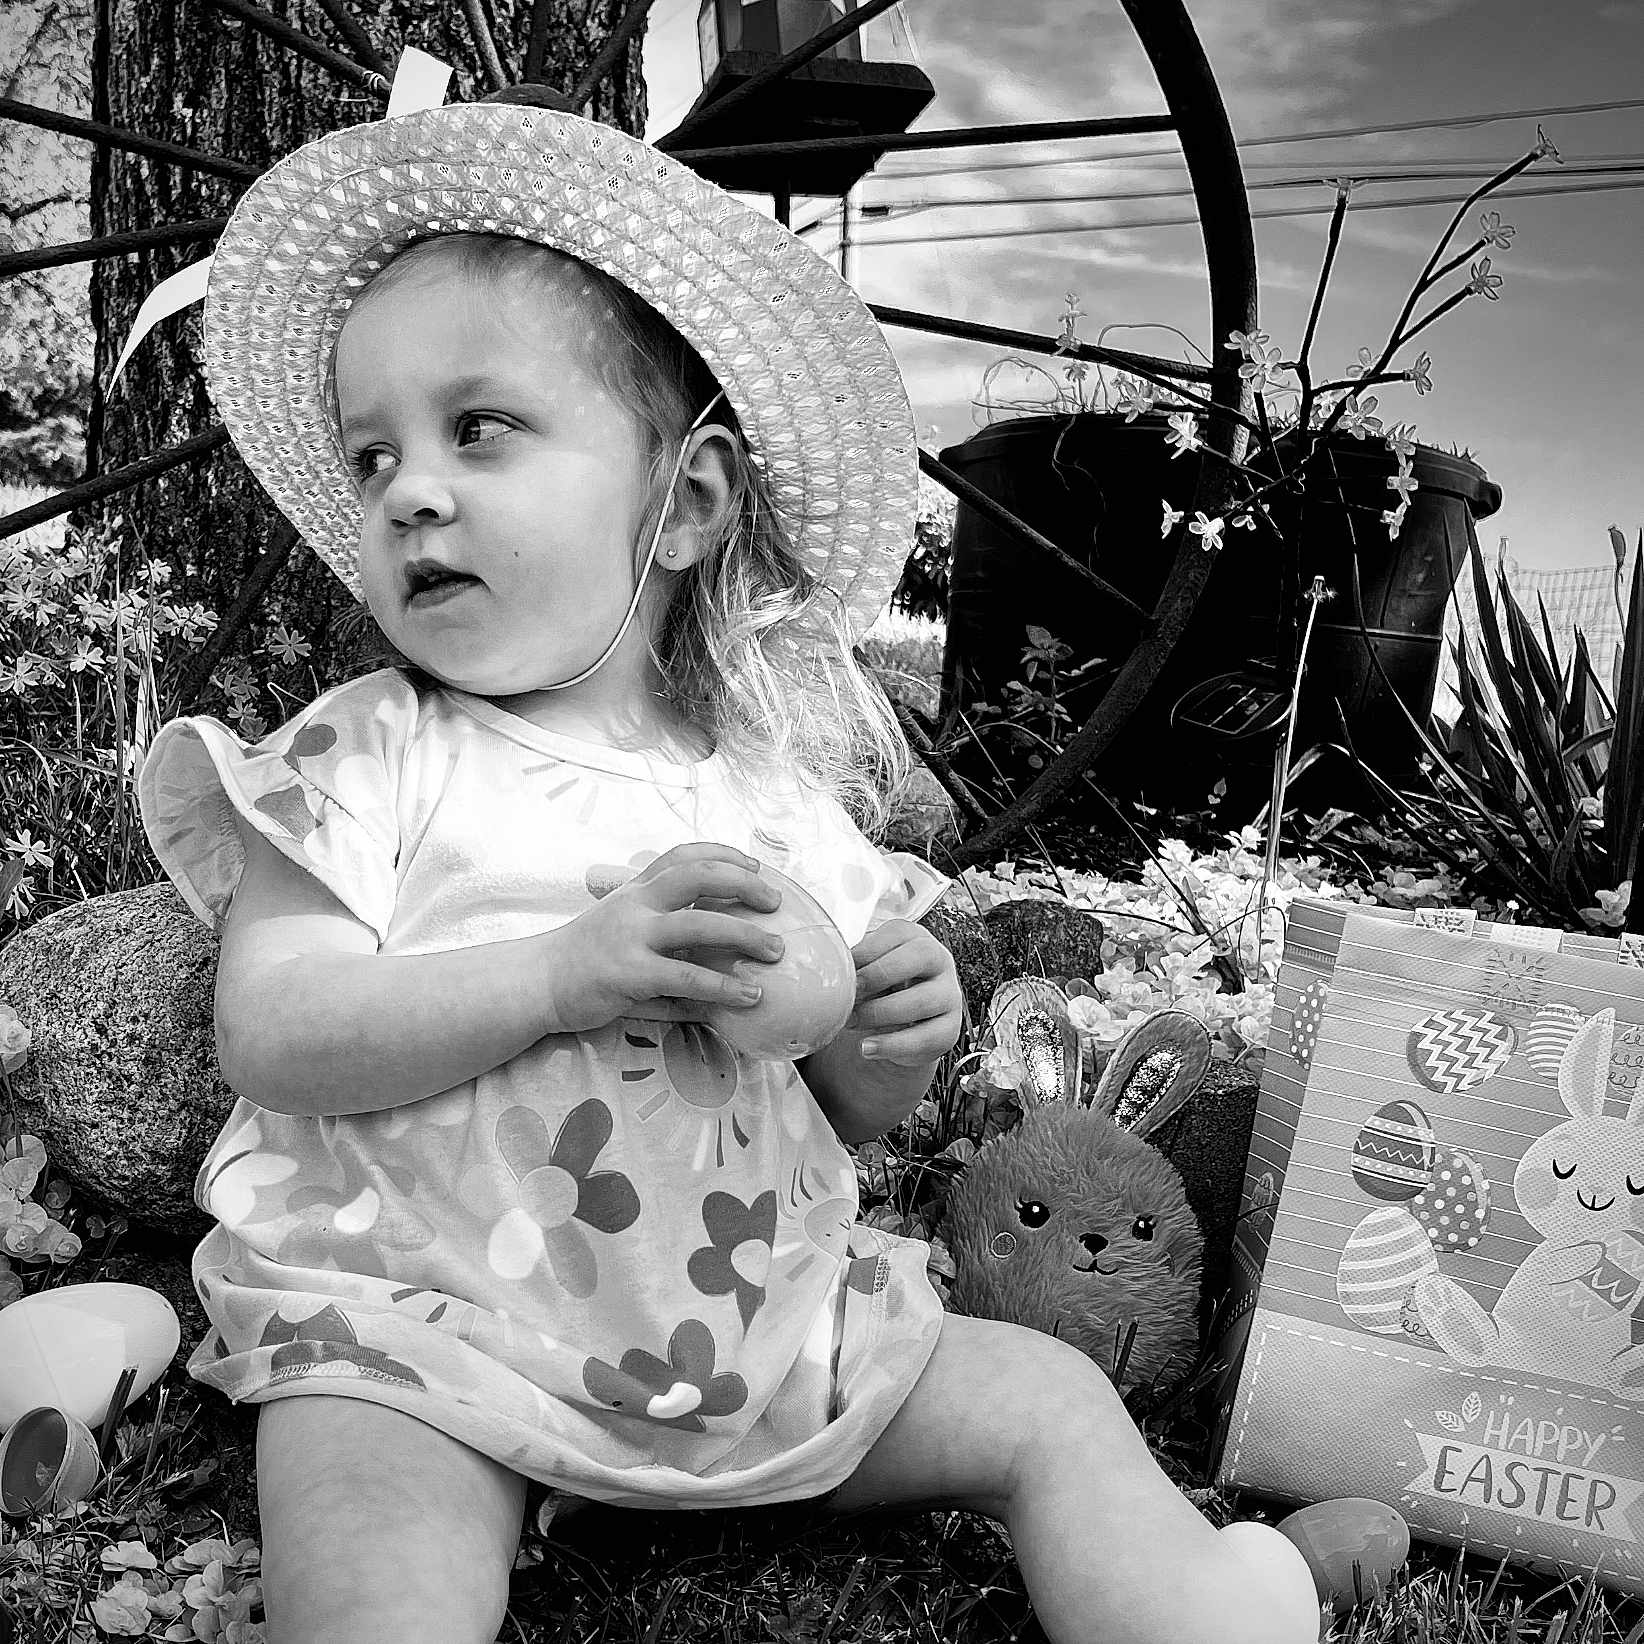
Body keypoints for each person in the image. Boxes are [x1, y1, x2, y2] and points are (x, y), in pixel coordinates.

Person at [138, 99, 1323, 1644]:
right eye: (374, 456)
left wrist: (886, 1040)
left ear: (685, 502)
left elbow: (822, 1098)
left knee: (1040, 1395)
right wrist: (562, 974)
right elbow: (276, 1034)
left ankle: (1193, 1602)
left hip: (747, 1337)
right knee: (375, 1570)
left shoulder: (769, 806)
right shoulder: (370, 752)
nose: (409, 490)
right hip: (422, 1332)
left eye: (477, 428)